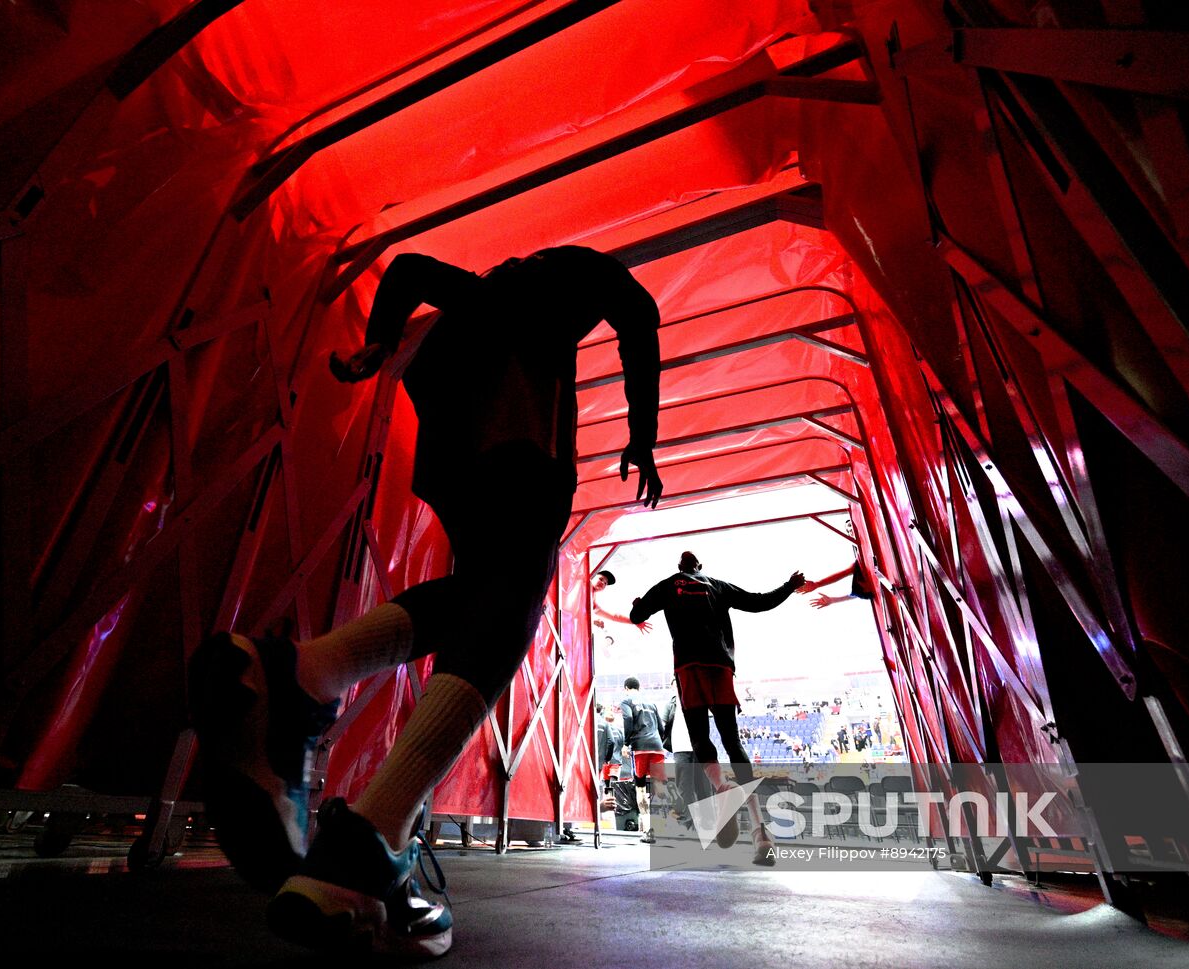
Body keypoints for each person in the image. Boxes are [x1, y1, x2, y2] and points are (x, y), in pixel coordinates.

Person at [188, 247, 662, 956]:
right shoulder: (570, 280)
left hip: (448, 414)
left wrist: (375, 345)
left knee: (475, 591)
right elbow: (638, 314)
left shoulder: (478, 289)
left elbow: (408, 269)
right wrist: (642, 436)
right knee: (511, 606)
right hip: (513, 417)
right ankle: (369, 839)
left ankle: (302, 672)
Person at [630, 551, 804, 866]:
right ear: (698, 567)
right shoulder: (718, 586)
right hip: (720, 666)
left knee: (701, 740)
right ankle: (760, 832)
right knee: (732, 742)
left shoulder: (669, 585)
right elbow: (758, 601)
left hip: (689, 667)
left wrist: (637, 605)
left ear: (685, 567)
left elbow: (636, 615)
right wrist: (789, 586)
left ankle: (724, 788)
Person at [619, 676, 666, 843]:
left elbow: (628, 719)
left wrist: (626, 743)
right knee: (658, 788)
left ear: (626, 688)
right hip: (657, 746)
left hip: (640, 747)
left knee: (640, 788)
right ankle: (660, 827)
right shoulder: (651, 703)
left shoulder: (626, 700)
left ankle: (647, 830)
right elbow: (661, 728)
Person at [591, 569, 651, 634]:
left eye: (605, 583)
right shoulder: (584, 583)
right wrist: (593, 621)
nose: (603, 583)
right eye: (601, 579)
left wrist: (634, 621)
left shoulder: (592, 603)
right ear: (593, 576)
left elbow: (614, 616)